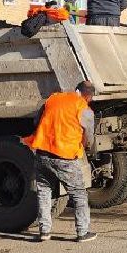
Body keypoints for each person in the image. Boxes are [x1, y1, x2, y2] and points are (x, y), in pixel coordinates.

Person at [23, 78, 97, 242]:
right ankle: (83, 232)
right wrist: (86, 148)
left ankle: (44, 232)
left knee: (44, 191)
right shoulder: (84, 109)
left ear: (76, 90)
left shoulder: (54, 98)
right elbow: (89, 136)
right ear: (89, 97)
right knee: (78, 193)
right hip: (65, 157)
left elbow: (37, 121)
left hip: (42, 153)